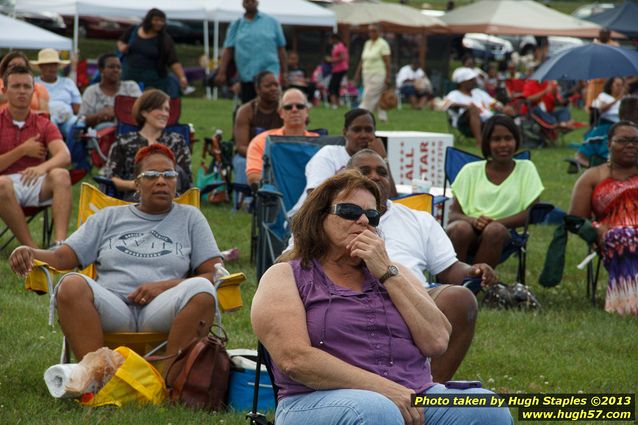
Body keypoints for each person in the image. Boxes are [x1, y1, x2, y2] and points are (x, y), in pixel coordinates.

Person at [252, 170, 513, 425]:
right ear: (318, 218)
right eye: (349, 212)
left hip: (414, 395)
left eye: (372, 215)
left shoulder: (394, 271)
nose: (363, 221)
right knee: (377, 411)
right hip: (315, 401)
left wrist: (388, 273)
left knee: (488, 408)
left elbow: (437, 341)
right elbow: (295, 359)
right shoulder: (286, 276)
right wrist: (386, 390)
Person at [9, 144, 223, 361]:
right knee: (71, 283)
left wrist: (163, 287)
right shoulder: (108, 217)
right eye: (151, 175)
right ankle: (96, 377)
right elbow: (62, 258)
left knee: (202, 288)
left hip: (163, 308)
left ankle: (171, 380)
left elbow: (214, 273)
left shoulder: (190, 218)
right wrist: (28, 251)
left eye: (169, 174)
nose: (161, 181)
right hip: (113, 306)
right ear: (137, 184)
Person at [347, 148, 497, 383]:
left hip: (412, 294)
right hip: (348, 295)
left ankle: (426, 391)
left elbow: (449, 269)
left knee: (461, 299)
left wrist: (472, 270)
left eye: (382, 172)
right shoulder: (329, 219)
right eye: (364, 171)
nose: (375, 176)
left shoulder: (418, 219)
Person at [447, 115, 544, 269]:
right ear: (487, 143)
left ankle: (474, 286)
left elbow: (530, 213)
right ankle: (449, 286)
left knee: (494, 230)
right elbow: (453, 215)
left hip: (505, 233)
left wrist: (495, 223)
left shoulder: (526, 169)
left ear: (516, 140)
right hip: (470, 228)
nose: (503, 144)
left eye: (508, 138)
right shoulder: (470, 171)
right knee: (459, 228)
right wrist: (474, 221)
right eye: (496, 139)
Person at [569, 121, 638, 316]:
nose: (631, 145)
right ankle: (627, 305)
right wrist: (595, 229)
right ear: (609, 144)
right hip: (611, 237)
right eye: (623, 140)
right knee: (625, 236)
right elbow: (575, 219)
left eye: (635, 141)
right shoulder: (593, 176)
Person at [0, 65, 71, 248]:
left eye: (26, 86)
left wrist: (41, 168)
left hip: (34, 181)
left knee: (61, 174)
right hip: (3, 183)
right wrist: (22, 150)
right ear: (5, 91)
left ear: (34, 90)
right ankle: (32, 249)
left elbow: (64, 155)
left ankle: (60, 244)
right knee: (2, 184)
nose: (22, 91)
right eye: (16, 86)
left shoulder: (43, 123)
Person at [288, 108, 390, 216]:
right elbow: (314, 196)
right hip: (308, 219)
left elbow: (392, 198)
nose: (363, 135)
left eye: (369, 130)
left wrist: (384, 159)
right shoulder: (329, 155)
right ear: (345, 132)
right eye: (357, 129)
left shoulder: (376, 162)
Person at [103, 89, 193, 198]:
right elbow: (110, 177)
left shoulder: (177, 141)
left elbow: (186, 178)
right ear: (144, 112)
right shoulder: (124, 142)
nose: (165, 114)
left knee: (176, 169)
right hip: (135, 199)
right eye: (159, 109)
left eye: (167, 110)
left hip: (171, 198)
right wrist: (135, 185)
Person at [216, 0, 287, 104]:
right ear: (242, 3)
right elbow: (228, 49)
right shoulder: (236, 25)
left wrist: (284, 73)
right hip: (247, 76)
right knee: (249, 109)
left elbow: (281, 49)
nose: (249, 2)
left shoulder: (272, 22)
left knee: (271, 108)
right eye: (246, 1)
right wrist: (221, 72)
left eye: (252, 0)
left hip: (270, 75)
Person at [245, 88, 318, 186]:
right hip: (276, 197)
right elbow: (253, 176)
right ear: (280, 112)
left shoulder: (319, 143)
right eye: (288, 107)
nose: (294, 110)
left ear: (307, 111)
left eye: (300, 106)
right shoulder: (262, 141)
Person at [117, 8, 188, 97]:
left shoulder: (165, 39)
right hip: (129, 74)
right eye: (156, 20)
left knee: (149, 102)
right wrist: (122, 47)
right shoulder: (133, 30)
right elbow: (121, 41)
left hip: (153, 78)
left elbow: (173, 61)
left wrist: (182, 77)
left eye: (162, 21)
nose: (159, 23)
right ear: (148, 20)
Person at [233, 71, 282, 190]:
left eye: (276, 85)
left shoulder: (285, 109)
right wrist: (262, 157)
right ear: (257, 89)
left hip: (280, 155)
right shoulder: (245, 111)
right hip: (249, 155)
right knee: (241, 163)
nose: (274, 88)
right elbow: (241, 146)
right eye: (268, 86)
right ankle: (245, 200)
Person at [443, 67, 509, 146]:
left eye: (473, 79)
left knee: (508, 110)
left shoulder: (478, 92)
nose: (474, 82)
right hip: (465, 123)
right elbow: (445, 104)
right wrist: (466, 106)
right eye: (470, 80)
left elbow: (493, 103)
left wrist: (499, 106)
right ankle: (479, 142)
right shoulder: (455, 94)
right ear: (462, 82)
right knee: (473, 109)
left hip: (487, 120)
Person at [78, 53, 142, 129]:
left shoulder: (131, 87)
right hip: (101, 133)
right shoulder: (91, 91)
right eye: (111, 67)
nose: (116, 70)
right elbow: (81, 119)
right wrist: (100, 116)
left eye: (119, 67)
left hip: (129, 129)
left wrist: (116, 112)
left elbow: (142, 109)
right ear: (101, 69)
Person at [573, 95, 638, 170]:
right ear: (622, 114)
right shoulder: (602, 133)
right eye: (635, 110)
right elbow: (580, 156)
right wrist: (598, 170)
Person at [33, 48, 81, 142]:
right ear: (40, 67)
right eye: (48, 65)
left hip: (68, 118)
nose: (52, 68)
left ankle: (73, 154)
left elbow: (77, 106)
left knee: (76, 125)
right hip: (44, 119)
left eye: (55, 65)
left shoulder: (68, 82)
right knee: (51, 122)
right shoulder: (33, 83)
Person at [354, 24, 391, 122]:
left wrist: (388, 76)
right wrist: (357, 73)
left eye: (374, 31)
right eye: (370, 31)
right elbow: (362, 60)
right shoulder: (367, 43)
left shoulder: (383, 44)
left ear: (379, 31)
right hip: (366, 73)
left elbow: (387, 62)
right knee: (377, 96)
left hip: (378, 73)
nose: (371, 33)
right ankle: (383, 118)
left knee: (368, 95)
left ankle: (361, 114)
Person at [324, 33, 349, 109]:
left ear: (335, 39)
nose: (330, 41)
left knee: (332, 86)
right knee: (336, 86)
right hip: (337, 69)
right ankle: (337, 103)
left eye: (331, 39)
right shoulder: (338, 46)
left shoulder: (340, 46)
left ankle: (334, 103)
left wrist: (331, 60)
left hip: (339, 69)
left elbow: (342, 57)